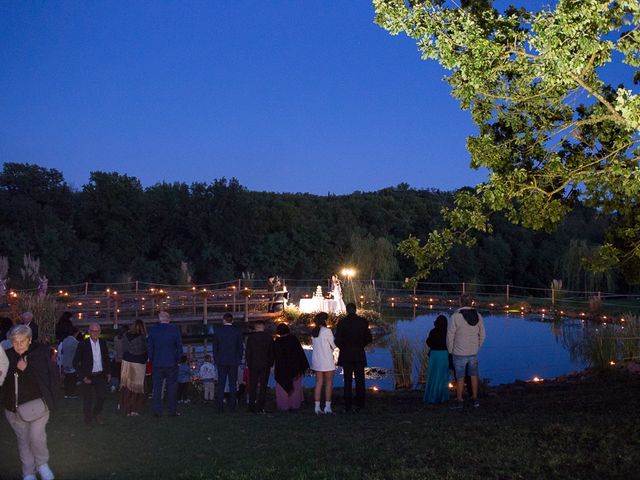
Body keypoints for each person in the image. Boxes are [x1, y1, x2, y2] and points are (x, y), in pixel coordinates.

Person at [3, 325, 59, 480]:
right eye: (15, 342)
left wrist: (27, 368)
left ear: (29, 340)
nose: (19, 345)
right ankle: (28, 472)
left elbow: (50, 377)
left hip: (39, 406)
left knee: (36, 437)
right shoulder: (5, 357)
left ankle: (42, 464)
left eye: (22, 341)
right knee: (23, 440)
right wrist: (15, 370)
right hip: (14, 409)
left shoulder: (40, 353)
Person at [447, 294, 486, 409]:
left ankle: (459, 400)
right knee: (474, 375)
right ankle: (475, 399)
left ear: (460, 302)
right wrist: (477, 346)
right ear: (471, 303)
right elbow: (483, 335)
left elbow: (450, 335)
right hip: (473, 352)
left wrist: (450, 349)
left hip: (459, 352)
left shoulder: (455, 317)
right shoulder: (478, 316)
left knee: (460, 377)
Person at [334, 303, 372, 412]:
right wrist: (361, 345)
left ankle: (348, 404)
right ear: (355, 310)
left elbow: (337, 340)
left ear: (347, 310)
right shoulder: (363, 322)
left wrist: (344, 348)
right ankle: (360, 403)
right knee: (360, 380)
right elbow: (369, 338)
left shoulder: (342, 322)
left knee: (347, 381)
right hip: (359, 354)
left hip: (346, 355)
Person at [73, 323, 110, 425]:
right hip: (87, 375)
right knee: (87, 399)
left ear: (100, 332)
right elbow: (75, 362)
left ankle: (96, 413)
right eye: (93, 331)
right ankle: (88, 419)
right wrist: (83, 377)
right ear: (89, 332)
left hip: (100, 374)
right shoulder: (83, 344)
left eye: (97, 331)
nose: (95, 333)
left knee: (102, 396)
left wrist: (108, 372)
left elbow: (106, 358)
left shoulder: (102, 343)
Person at [147, 311, 182, 417]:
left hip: (157, 362)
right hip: (171, 362)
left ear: (159, 319)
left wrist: (152, 359)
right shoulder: (175, 329)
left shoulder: (153, 330)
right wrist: (178, 360)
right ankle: (172, 411)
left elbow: (150, 347)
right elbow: (179, 347)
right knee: (172, 387)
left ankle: (157, 411)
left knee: (157, 388)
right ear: (169, 319)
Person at [273, 323, 309, 411]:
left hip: (281, 369)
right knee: (295, 387)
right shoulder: (293, 339)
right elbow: (300, 353)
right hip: (295, 368)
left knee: (282, 388)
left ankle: (284, 405)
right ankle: (295, 404)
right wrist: (303, 366)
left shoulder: (277, 342)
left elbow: (274, 356)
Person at [212, 313, 244, 413]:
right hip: (233, 361)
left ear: (224, 320)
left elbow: (215, 347)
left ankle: (220, 407)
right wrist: (238, 359)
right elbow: (240, 347)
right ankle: (232, 407)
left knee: (221, 384)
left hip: (221, 361)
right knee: (232, 384)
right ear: (232, 320)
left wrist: (216, 359)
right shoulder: (237, 331)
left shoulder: (218, 331)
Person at [245, 320, 274, 413]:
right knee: (263, 387)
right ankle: (261, 406)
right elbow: (272, 353)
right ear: (263, 327)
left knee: (252, 386)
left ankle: (251, 406)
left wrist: (248, 364)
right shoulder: (269, 338)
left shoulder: (251, 338)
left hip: (253, 365)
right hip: (265, 365)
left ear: (255, 327)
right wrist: (271, 364)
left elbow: (248, 353)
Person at [311, 312, 337, 414]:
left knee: (318, 383)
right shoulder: (327, 331)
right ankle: (327, 407)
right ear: (325, 320)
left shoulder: (314, 331)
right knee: (329, 383)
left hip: (317, 360)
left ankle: (317, 407)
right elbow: (334, 345)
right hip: (327, 360)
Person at [120, 319, 147, 416]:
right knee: (136, 387)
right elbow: (145, 350)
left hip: (126, 362)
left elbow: (123, 348)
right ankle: (134, 410)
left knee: (126, 387)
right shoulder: (143, 337)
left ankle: (125, 409)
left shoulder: (125, 336)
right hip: (138, 363)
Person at [423, 315, 450, 404]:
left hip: (434, 355)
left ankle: (431, 396)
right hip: (444, 355)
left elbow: (428, 342)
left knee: (433, 375)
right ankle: (442, 396)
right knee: (442, 376)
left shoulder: (433, 331)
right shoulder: (448, 332)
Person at [60, 327, 80, 398]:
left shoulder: (65, 340)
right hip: (72, 363)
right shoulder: (75, 342)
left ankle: (67, 393)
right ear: (76, 333)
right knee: (72, 379)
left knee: (67, 379)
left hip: (65, 362)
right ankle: (71, 393)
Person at [111, 325, 128, 392]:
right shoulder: (125, 339)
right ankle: (122, 387)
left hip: (116, 358)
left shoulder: (116, 338)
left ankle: (115, 386)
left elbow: (115, 348)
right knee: (123, 375)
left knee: (117, 374)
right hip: (123, 359)